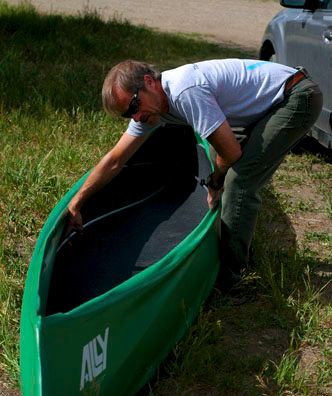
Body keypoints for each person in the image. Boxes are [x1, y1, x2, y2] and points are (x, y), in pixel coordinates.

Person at [66, 59, 322, 293]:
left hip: (296, 96)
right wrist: (78, 202)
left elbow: (231, 153)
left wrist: (215, 180)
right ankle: (236, 242)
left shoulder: (184, 91)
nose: (135, 117)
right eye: (127, 114)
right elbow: (114, 160)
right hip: (267, 103)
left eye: (134, 106)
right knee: (215, 152)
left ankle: (233, 279)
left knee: (239, 180)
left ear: (148, 82)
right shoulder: (149, 107)